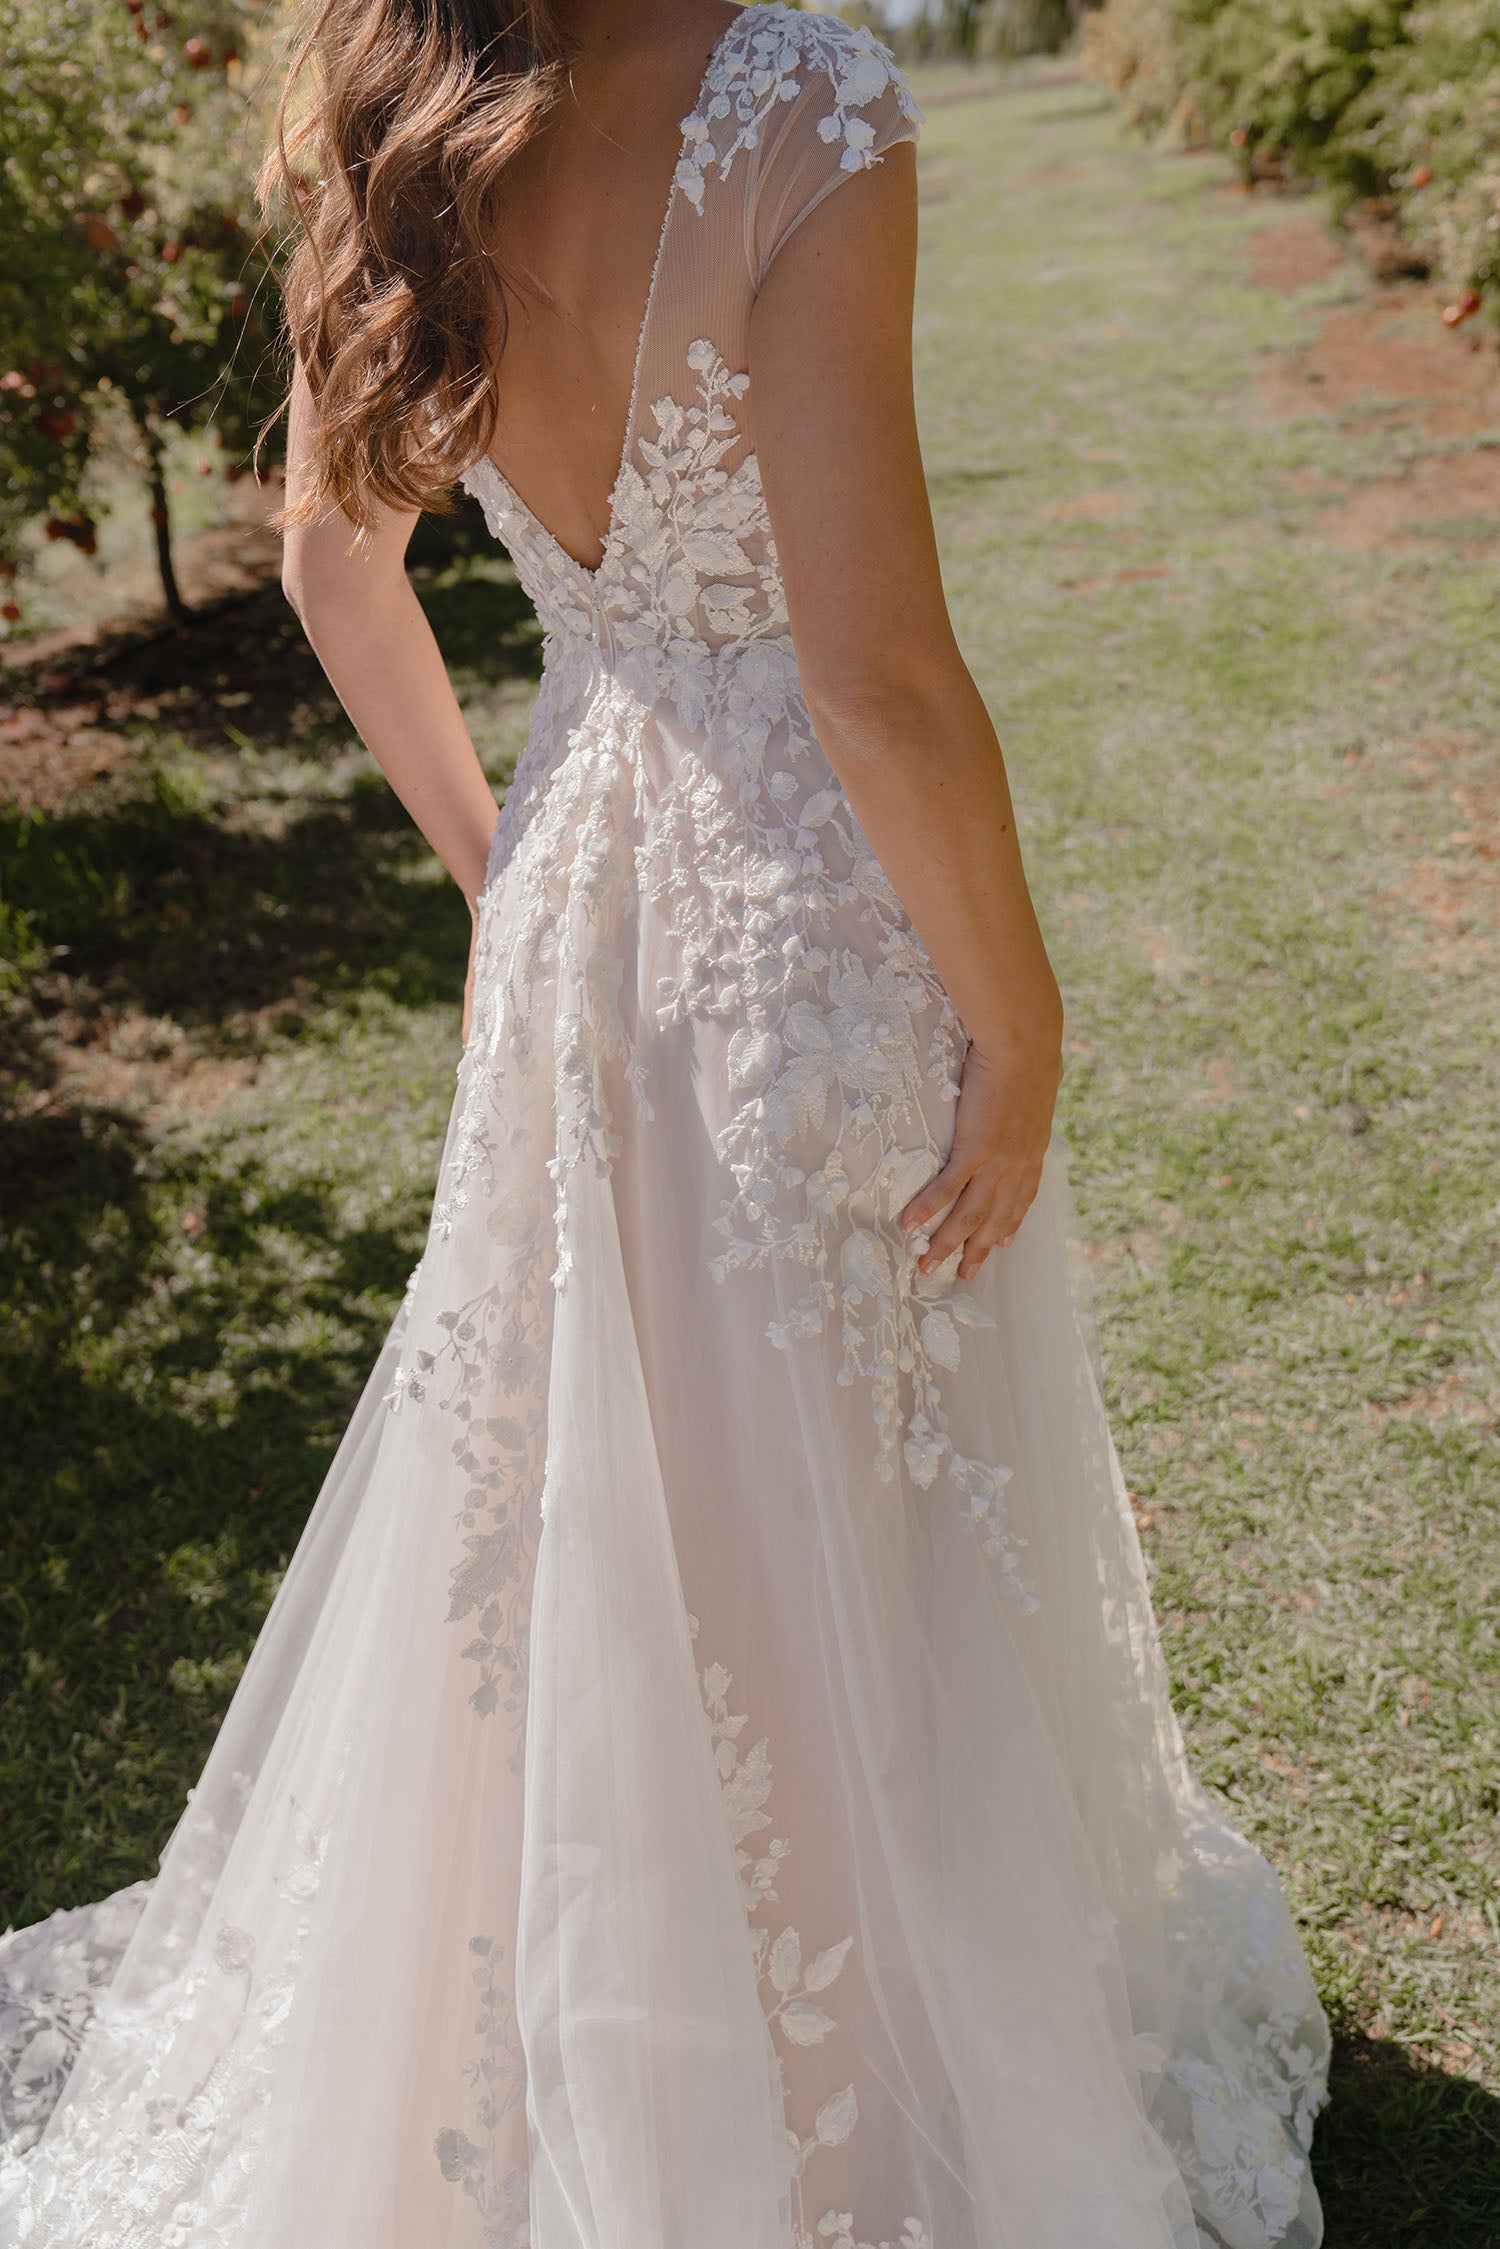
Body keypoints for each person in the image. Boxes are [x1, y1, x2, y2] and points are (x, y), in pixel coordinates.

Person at [0, 4, 1330, 2245]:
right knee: (836, 1498)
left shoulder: (402, 120)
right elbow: (869, 673)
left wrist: (499, 858)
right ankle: (861, 2080)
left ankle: (613, 2047)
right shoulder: (804, 101)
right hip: (806, 908)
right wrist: (1017, 1020)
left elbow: (338, 569)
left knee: (596, 1492)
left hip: (586, 880)